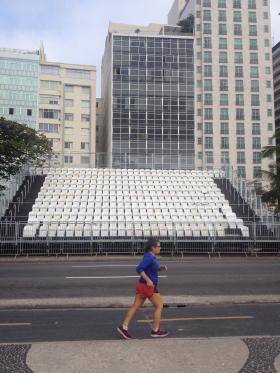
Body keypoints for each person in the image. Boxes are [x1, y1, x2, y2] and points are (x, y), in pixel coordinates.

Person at [117, 238, 168, 339]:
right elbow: (139, 268)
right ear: (153, 247)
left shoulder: (151, 256)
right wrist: (148, 280)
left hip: (142, 285)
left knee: (135, 306)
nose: (160, 248)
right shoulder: (149, 257)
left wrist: (160, 268)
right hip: (148, 286)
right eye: (158, 246)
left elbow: (151, 269)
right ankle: (155, 330)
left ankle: (124, 327)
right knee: (159, 305)